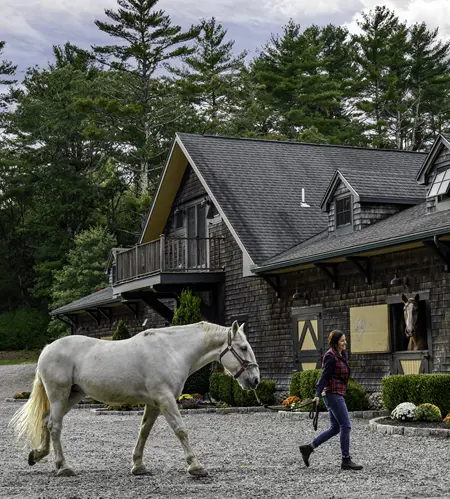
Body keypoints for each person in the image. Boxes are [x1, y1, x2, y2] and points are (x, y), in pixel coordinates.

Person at [299, 330, 363, 470]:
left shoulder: (341, 354)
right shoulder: (330, 357)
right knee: (346, 426)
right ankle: (346, 460)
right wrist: (316, 394)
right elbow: (324, 376)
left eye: (345, 340)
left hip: (337, 393)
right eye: (342, 341)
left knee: (335, 428)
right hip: (333, 394)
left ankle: (309, 448)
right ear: (335, 343)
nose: (345, 343)